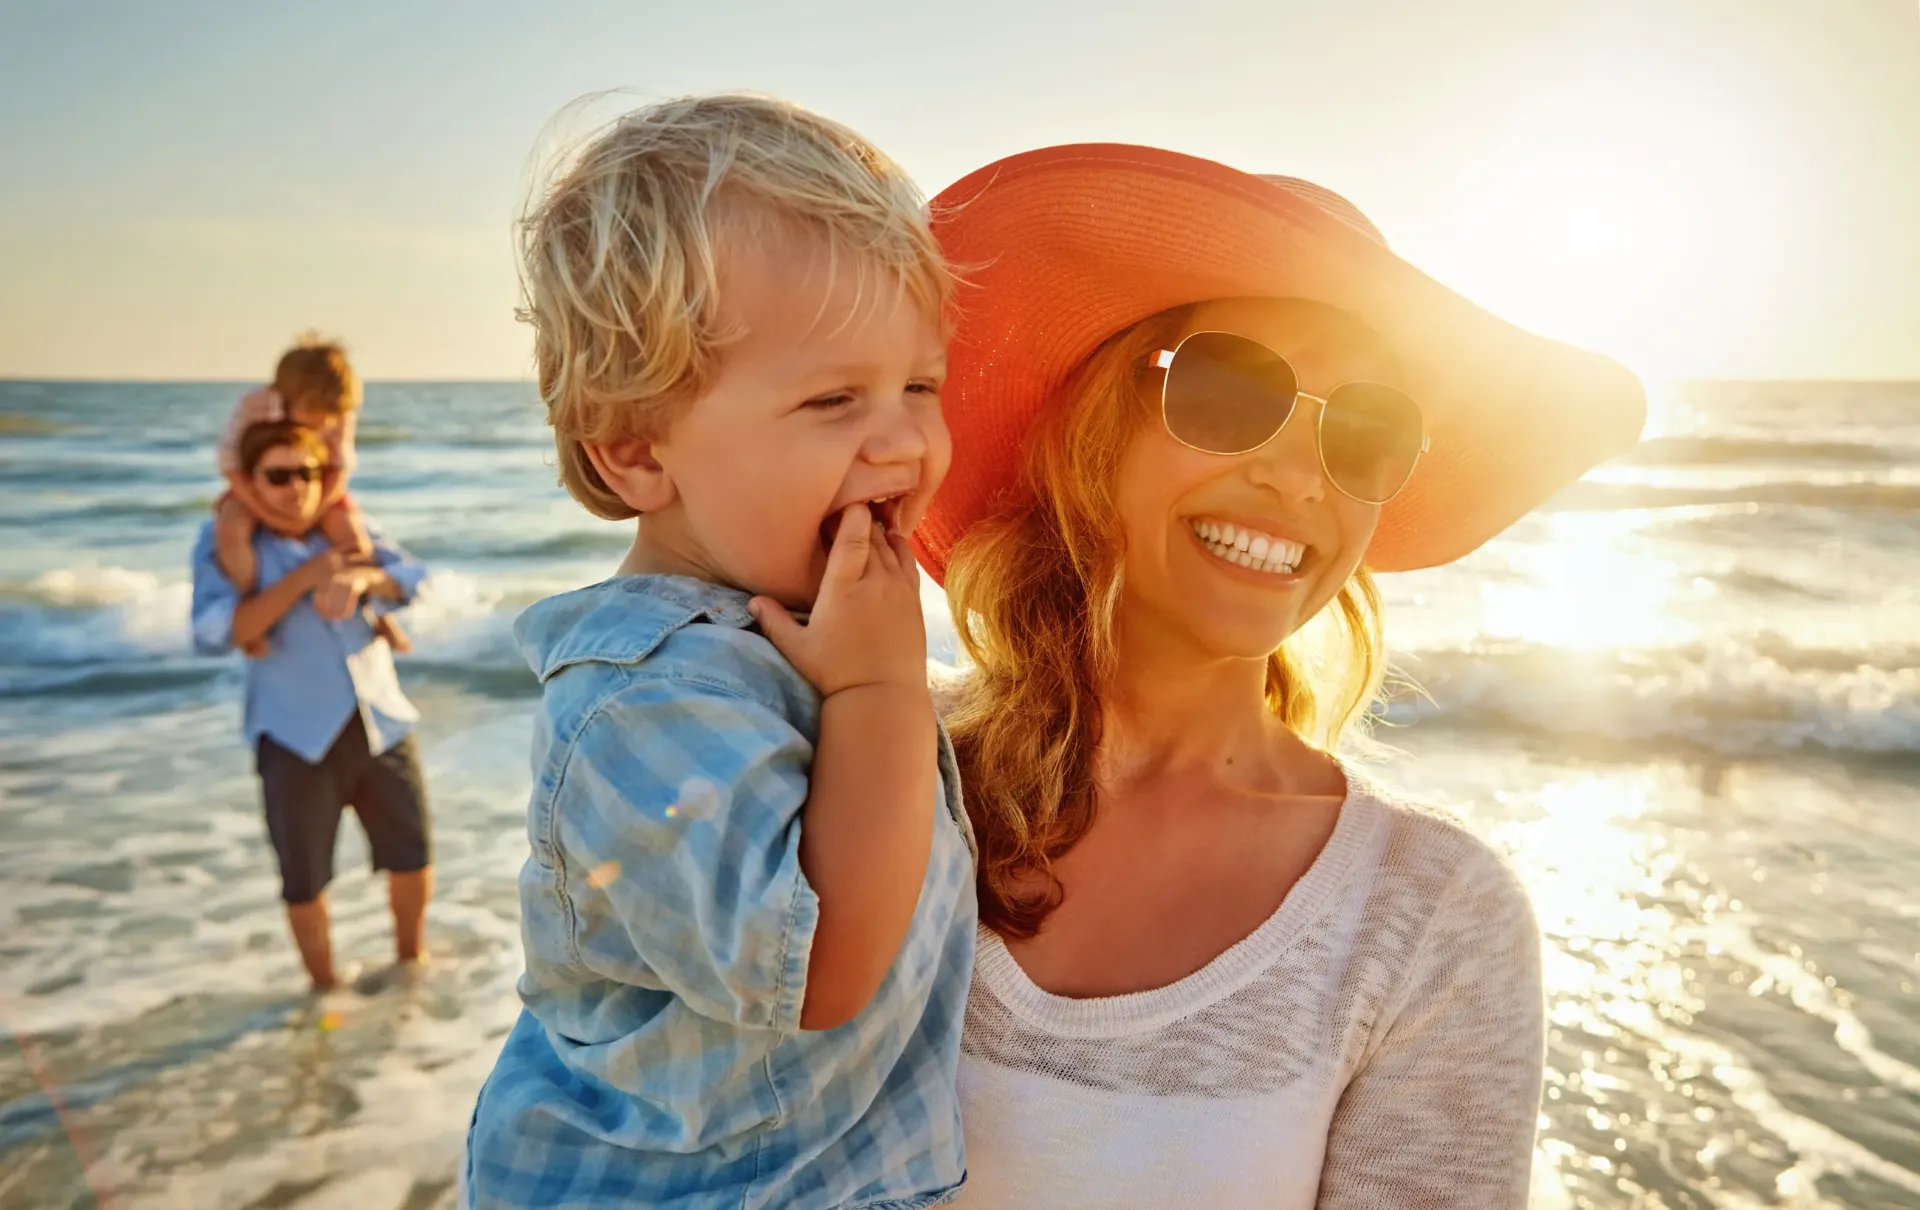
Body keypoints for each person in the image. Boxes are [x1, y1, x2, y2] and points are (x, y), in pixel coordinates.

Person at [912, 145, 1646, 1208]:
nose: (1301, 475)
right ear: (1097, 422)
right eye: (1229, 389)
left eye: (1369, 431)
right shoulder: (867, 757)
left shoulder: (1430, 917)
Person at [462, 94, 976, 1210]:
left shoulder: (790, 641)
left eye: (921, 386)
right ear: (640, 451)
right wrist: (883, 685)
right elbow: (826, 965)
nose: (902, 439)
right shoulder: (642, 700)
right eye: (835, 397)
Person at [189, 418, 434, 993]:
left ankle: (411, 968)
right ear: (251, 480)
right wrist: (306, 577)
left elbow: (414, 578)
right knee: (304, 879)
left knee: (412, 855)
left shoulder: (345, 526)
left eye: (307, 473)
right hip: (293, 735)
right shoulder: (227, 542)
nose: (296, 487)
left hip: (381, 721)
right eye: (278, 476)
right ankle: (324, 993)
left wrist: (364, 580)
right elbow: (213, 631)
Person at [213, 337, 411, 656]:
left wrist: (311, 515)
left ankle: (377, 613)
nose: (326, 422)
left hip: (320, 492)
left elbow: (340, 471)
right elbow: (231, 467)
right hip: (256, 491)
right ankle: (251, 612)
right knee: (231, 533)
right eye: (316, 413)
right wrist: (270, 514)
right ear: (289, 399)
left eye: (333, 414)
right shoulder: (257, 405)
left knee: (355, 542)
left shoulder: (340, 413)